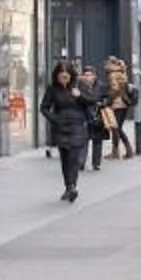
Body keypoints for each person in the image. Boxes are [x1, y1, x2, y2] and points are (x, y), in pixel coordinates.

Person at [40, 58, 96, 202]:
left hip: (77, 125)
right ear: (56, 75)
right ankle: (68, 186)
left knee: (74, 157)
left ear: (71, 74)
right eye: (61, 74)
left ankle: (72, 186)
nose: (63, 76)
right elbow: (44, 107)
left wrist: (80, 96)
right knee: (65, 158)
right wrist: (54, 119)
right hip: (61, 126)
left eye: (66, 74)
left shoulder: (79, 85)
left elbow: (92, 100)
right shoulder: (53, 89)